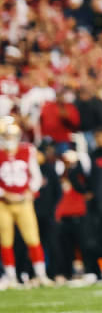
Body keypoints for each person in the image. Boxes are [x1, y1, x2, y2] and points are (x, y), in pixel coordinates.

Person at [0, 117, 51, 287]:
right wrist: (5, 193)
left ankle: (41, 274)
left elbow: (35, 175)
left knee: (33, 238)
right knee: (5, 240)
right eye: (5, 136)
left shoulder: (27, 150)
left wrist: (30, 191)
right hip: (3, 202)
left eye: (11, 136)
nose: (9, 139)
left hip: (23, 201)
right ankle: (11, 277)